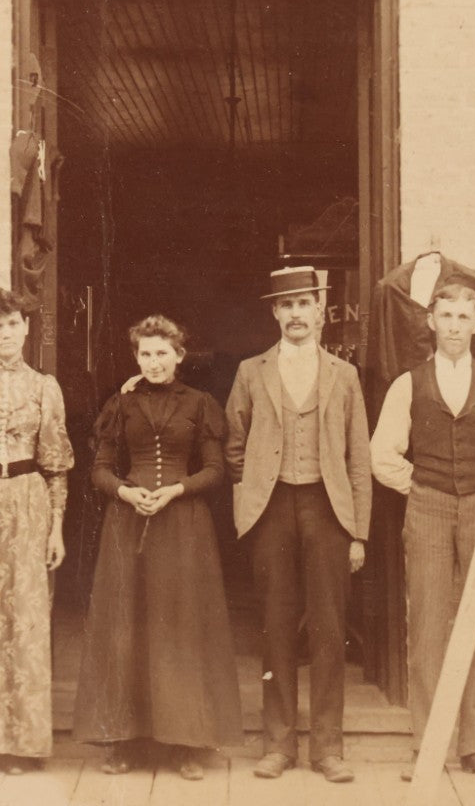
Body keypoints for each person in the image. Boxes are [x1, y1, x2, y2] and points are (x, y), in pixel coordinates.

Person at [370, 283, 475, 784]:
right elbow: (381, 456)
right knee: (427, 625)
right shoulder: (408, 385)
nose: (455, 327)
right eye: (446, 316)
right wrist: (419, 486)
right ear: (431, 322)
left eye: (464, 318)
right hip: (429, 509)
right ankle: (428, 745)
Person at [73, 314, 241, 779]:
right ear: (136, 357)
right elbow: (99, 469)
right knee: (127, 626)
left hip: (184, 526)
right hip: (128, 524)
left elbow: (215, 470)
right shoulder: (121, 404)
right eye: (145, 354)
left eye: (161, 353)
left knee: (181, 629)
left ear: (179, 355)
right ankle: (125, 742)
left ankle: (186, 744)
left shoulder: (200, 403)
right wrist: (126, 492)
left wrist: (176, 490)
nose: (153, 362)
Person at [224, 266, 372, 783]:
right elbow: (234, 445)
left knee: (329, 629)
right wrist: (253, 497)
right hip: (271, 509)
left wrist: (358, 532)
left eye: (304, 304)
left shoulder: (344, 375)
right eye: (286, 305)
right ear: (274, 312)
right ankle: (278, 744)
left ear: (320, 309)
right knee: (276, 625)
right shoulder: (251, 371)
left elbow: (359, 459)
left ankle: (327, 748)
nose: (295, 314)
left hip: (328, 509)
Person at [0, 289, 73, 775]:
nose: (5, 334)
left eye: (12, 324)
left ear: (26, 328)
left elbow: (56, 466)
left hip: (27, 503)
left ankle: (22, 744)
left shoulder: (45, 387)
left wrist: (56, 530)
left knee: (25, 619)